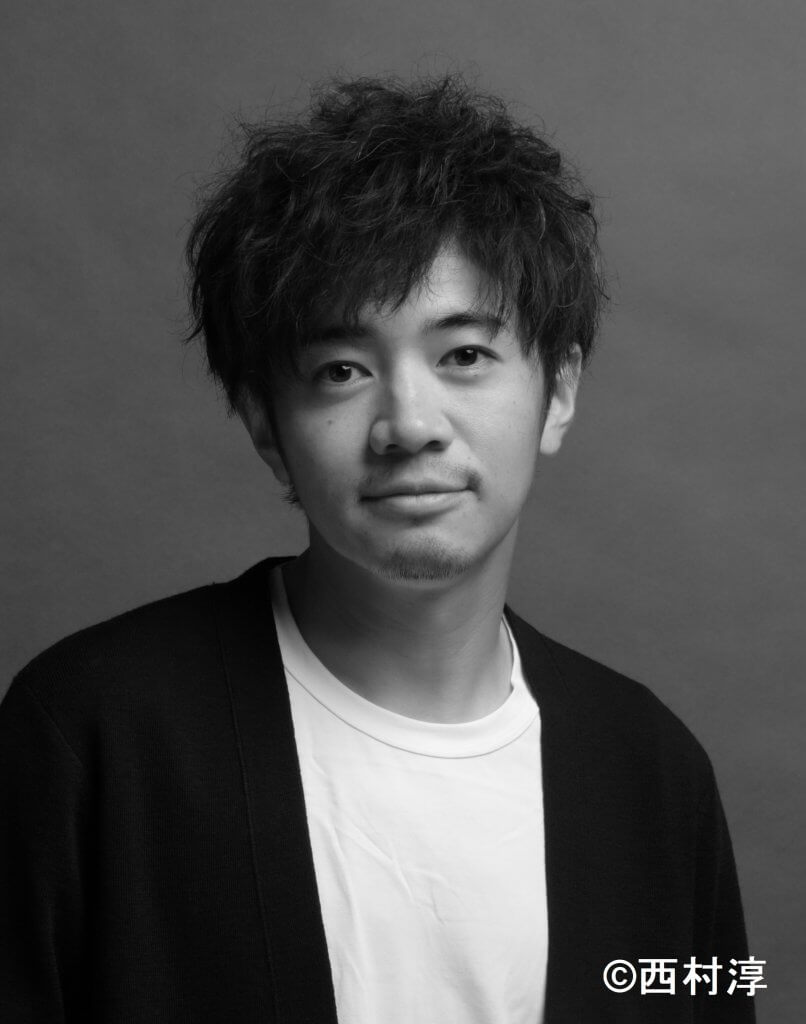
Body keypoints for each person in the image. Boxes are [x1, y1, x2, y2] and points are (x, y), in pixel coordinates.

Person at [0, 75, 754, 1023]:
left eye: (465, 356)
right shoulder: (91, 734)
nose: (409, 424)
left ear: (558, 390)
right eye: (342, 370)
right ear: (264, 422)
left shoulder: (650, 771)